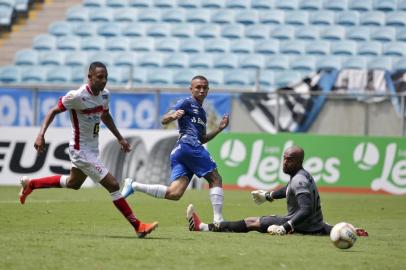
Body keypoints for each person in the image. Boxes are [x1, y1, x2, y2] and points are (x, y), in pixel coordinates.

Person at [19, 62, 158, 238]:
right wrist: (41, 134)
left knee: (73, 183)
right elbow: (53, 111)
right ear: (90, 77)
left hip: (92, 148)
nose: (104, 80)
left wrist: (119, 138)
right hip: (80, 150)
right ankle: (138, 226)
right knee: (113, 185)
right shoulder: (76, 96)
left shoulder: (105, 95)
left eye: (106, 77)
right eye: (100, 77)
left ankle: (31, 185)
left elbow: (105, 115)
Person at [186, 145, 368, 237]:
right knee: (323, 228)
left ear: (298, 161)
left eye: (289, 160)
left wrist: (285, 227)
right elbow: (289, 190)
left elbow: (305, 209)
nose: (284, 163)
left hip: (300, 225)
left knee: (251, 222)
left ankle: (202, 227)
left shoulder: (299, 180)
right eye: (284, 158)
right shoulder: (301, 175)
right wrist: (268, 195)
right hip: (316, 225)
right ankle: (347, 230)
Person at [121, 75, 229, 223]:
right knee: (215, 178)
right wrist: (173, 116)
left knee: (175, 193)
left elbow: (202, 139)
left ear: (208, 90)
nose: (202, 90)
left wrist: (219, 129)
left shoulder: (202, 113)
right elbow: (164, 119)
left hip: (182, 150)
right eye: (198, 87)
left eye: (205, 88)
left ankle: (133, 185)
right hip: (188, 144)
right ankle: (219, 220)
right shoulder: (186, 102)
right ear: (191, 89)